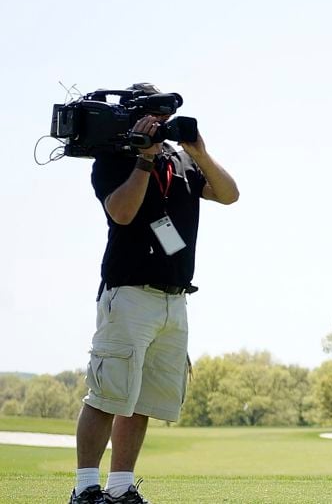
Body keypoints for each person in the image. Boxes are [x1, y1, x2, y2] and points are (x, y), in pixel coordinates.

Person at [70, 83, 240, 504]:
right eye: (153, 117)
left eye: (165, 118)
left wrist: (199, 151)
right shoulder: (114, 158)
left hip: (174, 297)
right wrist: (144, 158)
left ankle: (120, 488)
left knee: (142, 401)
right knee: (107, 395)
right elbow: (122, 212)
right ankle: (86, 489)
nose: (161, 125)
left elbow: (229, 194)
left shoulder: (182, 161)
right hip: (129, 292)